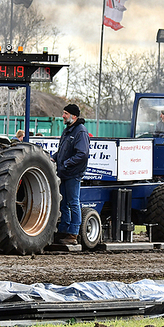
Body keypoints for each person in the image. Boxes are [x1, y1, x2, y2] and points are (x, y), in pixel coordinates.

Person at [51, 104, 90, 245]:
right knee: (63, 203)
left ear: (74, 116)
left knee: (73, 203)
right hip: (64, 173)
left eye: (66, 113)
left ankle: (73, 234)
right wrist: (53, 157)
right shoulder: (68, 130)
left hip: (73, 174)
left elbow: (82, 154)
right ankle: (63, 231)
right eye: (63, 112)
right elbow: (62, 151)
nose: (63, 115)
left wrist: (66, 163)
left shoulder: (80, 132)